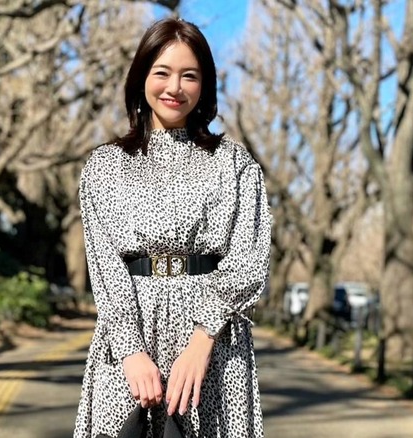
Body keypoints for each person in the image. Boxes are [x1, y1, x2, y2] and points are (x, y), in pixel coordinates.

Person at [73, 17, 271, 438]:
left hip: (214, 344)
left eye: (189, 76)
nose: (174, 87)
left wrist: (202, 343)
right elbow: (105, 265)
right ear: (141, 77)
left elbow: (250, 261)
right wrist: (129, 351)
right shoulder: (105, 167)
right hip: (129, 339)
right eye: (161, 72)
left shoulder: (234, 164)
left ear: (205, 86)